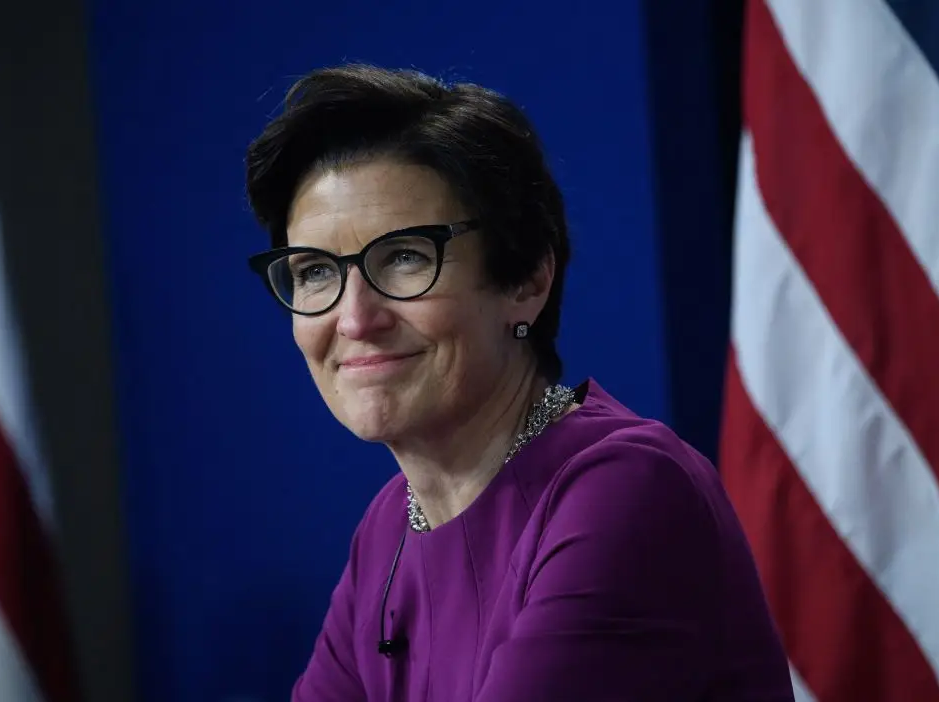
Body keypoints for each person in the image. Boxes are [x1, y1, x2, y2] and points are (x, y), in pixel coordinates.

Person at [244, 64, 794, 702]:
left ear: (528, 280)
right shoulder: (390, 526)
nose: (355, 319)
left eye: (405, 258)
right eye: (314, 271)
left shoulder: (627, 488)